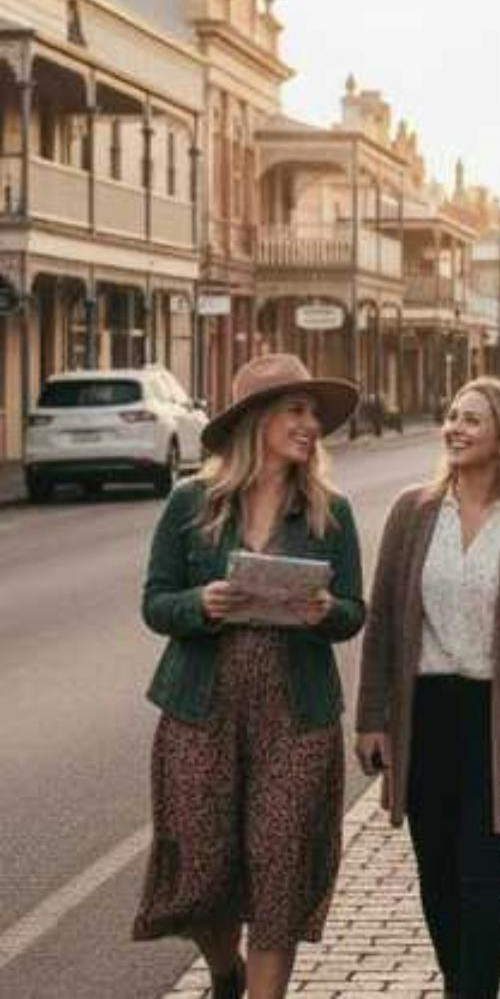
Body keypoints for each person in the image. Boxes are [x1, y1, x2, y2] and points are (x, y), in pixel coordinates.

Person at [132, 354, 365, 999]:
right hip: (200, 714)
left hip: (296, 720)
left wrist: (326, 612)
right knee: (202, 873)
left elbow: (354, 612)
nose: (310, 424)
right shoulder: (190, 502)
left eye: (313, 413)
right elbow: (155, 602)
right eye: (295, 409)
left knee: (279, 869)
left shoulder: (331, 511)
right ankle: (224, 972)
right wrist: (199, 605)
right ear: (256, 420)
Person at [354, 378, 500, 999]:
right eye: (451, 416)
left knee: (482, 876)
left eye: (471, 419)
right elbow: (385, 622)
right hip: (425, 714)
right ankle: (458, 982)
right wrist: (373, 718)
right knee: (438, 876)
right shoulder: (413, 511)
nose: (454, 428)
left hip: (494, 716)